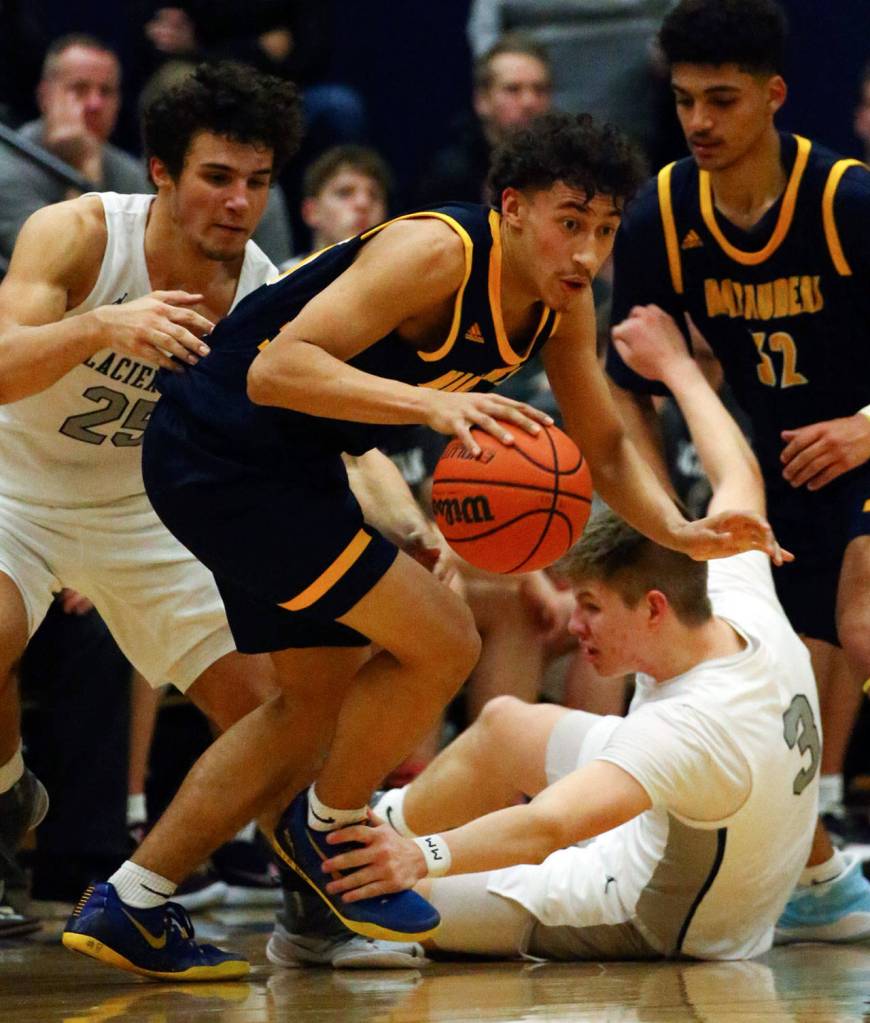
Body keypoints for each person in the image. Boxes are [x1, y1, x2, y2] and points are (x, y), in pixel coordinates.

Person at [62, 108, 784, 981]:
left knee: (303, 711)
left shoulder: (560, 306)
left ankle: (133, 899)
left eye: (601, 229)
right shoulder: (439, 253)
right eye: (569, 224)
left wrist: (677, 529)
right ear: (513, 208)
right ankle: (328, 835)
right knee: (445, 635)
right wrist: (429, 406)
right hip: (220, 450)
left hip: (284, 465)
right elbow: (273, 368)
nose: (587, 252)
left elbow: (603, 442)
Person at [324, 303, 824, 963]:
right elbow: (739, 474)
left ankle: (335, 877)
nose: (574, 621)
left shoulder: (687, 725)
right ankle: (357, 829)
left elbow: (547, 825)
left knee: (363, 902)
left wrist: (421, 857)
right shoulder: (730, 583)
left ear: (652, 607)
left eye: (588, 604)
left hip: (654, 913)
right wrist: (678, 368)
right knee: (505, 723)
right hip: (706, 817)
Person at [0, 60, 305, 958]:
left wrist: (400, 517)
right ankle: (8, 793)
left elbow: (310, 423)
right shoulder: (80, 234)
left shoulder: (263, 290)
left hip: (142, 512)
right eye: (216, 176)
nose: (238, 202)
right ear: (161, 171)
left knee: (277, 717)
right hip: (15, 482)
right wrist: (102, 326)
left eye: (257, 183)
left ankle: (300, 903)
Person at [603, 0, 870, 938]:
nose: (702, 122)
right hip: (770, 466)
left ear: (775, 96)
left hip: (865, 445)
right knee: (776, 669)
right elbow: (624, 378)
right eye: (684, 102)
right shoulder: (663, 215)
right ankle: (820, 872)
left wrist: (866, 428)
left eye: (723, 99)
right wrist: (660, 512)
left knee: (861, 617)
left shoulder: (847, 199)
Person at [0, 33, 149, 263]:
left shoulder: (132, 174)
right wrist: (85, 167)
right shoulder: (7, 164)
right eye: (80, 89)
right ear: (45, 96)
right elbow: (58, 263)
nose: (95, 104)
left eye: (106, 92)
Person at [415, 33, 553, 206]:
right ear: (482, 100)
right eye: (513, 89)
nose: (529, 102)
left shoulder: (567, 166)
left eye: (539, 89)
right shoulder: (451, 174)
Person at [287, 144, 392, 266]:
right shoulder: (278, 280)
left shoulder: (405, 280)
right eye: (345, 192)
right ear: (312, 212)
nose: (363, 203)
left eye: (374, 195)